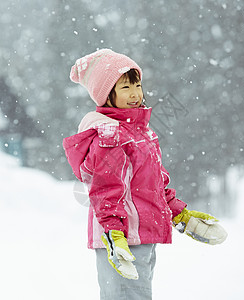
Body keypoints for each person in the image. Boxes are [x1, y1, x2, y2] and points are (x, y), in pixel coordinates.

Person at [63, 49, 227, 300]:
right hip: (121, 240)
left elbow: (153, 185)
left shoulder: (140, 132)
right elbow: (105, 189)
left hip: (140, 237)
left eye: (137, 85)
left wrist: (180, 214)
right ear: (107, 96)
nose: (135, 93)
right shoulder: (110, 135)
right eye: (125, 87)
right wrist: (113, 233)